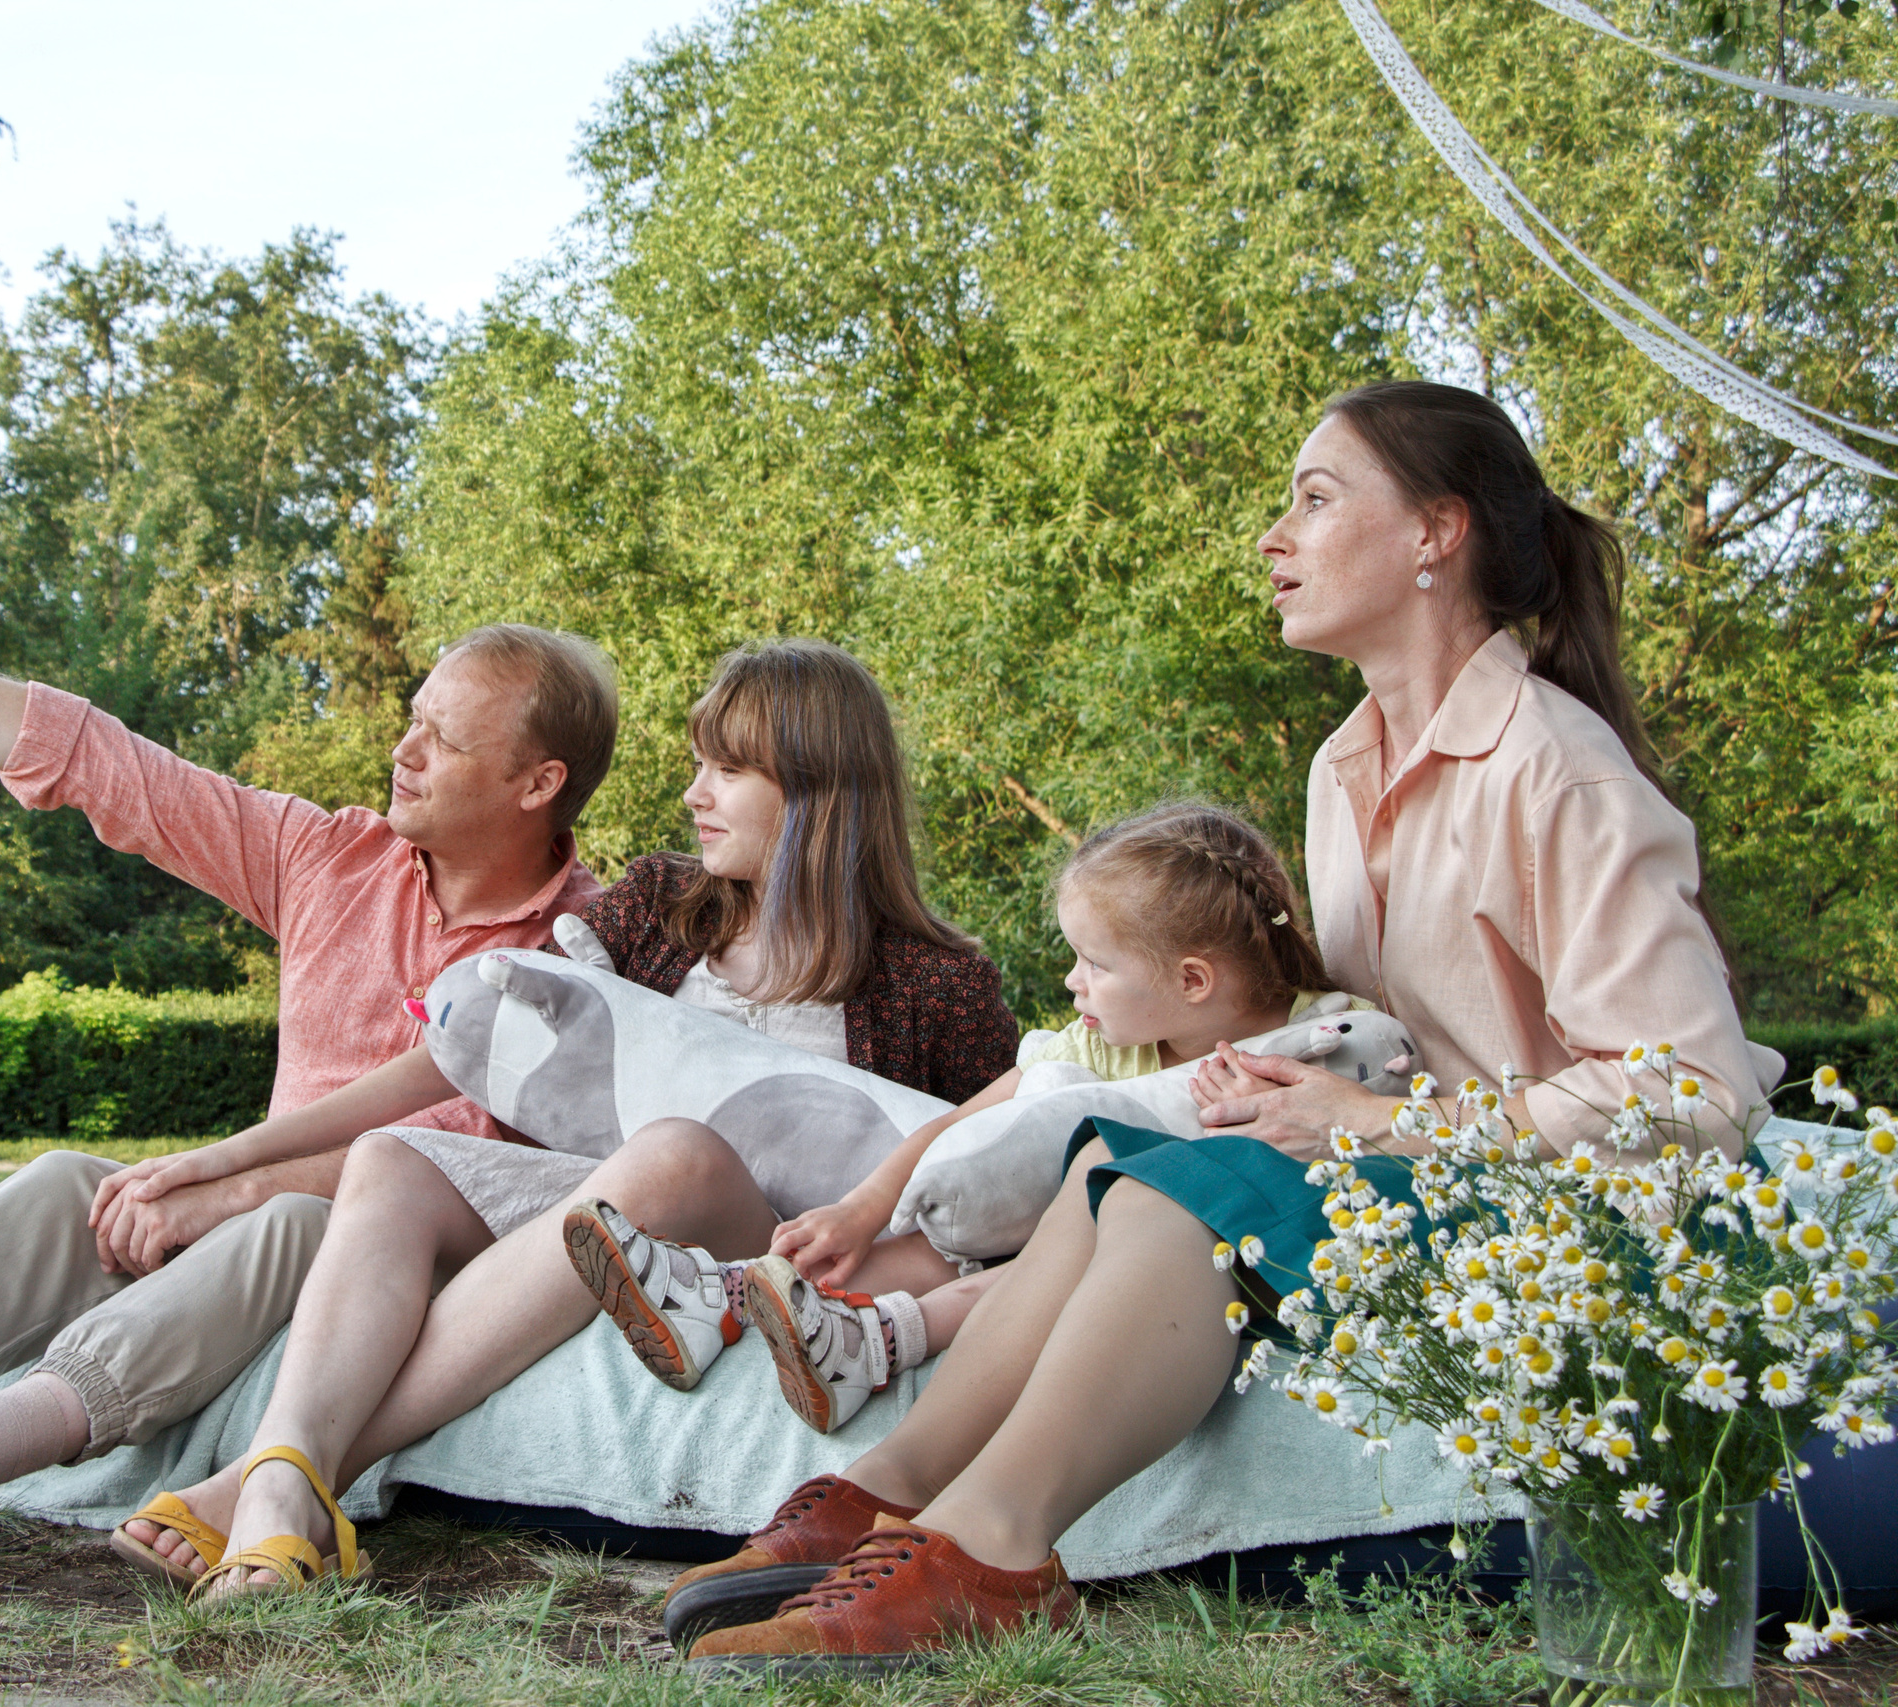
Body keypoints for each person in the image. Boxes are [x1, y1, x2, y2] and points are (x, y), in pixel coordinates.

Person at [672, 380, 1778, 1674]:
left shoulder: (1557, 767)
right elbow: (1386, 1028)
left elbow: (1696, 1088)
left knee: (1182, 1199)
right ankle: (889, 1489)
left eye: (1315, 499)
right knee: (1105, 1161)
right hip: (1453, 1177)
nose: (1274, 535)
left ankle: (1001, 1546)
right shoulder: (1345, 766)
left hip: (1614, 1215)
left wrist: (1372, 1120)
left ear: (1435, 533)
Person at [0, 608, 620, 1571]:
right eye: (410, 721)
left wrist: (238, 1189)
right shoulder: (330, 858)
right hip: (248, 1225)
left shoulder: (591, 948)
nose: (403, 750)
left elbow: (474, 1153)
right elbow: (100, 763)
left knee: (295, 1223)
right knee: (71, 1185)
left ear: (537, 783)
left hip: (399, 1273)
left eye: (442, 737)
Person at [113, 637, 1019, 1592]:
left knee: (671, 1153)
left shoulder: (940, 985)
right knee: (392, 1157)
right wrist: (231, 1156)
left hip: (776, 1248)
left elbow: (992, 1182)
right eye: (696, 764)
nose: (693, 794)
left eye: (728, 769)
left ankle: (281, 1480)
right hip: (603, 1213)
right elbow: (464, 1054)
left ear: (820, 789)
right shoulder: (659, 906)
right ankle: (283, 1477)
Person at [589, 801, 1376, 1434]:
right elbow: (966, 1121)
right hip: (1015, 1245)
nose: (1072, 982)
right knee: (916, 1242)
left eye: (1095, 965)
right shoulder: (1106, 1043)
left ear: (1194, 979)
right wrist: (863, 1210)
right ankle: (725, 1302)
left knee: (997, 1253)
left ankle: (792, 1318)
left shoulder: (1317, 1047)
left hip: (1146, 1274)